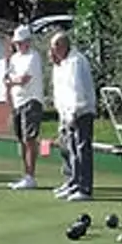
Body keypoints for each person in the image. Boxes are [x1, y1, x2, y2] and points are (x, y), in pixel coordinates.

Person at [49, 30, 97, 202]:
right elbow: (63, 91)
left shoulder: (76, 61)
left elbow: (78, 89)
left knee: (83, 149)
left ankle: (85, 188)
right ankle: (74, 183)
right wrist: (64, 112)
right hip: (69, 113)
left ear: (62, 46)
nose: (52, 51)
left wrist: (74, 112)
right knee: (73, 150)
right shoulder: (65, 62)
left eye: (54, 47)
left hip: (81, 111)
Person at [3, 26, 45, 190]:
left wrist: (12, 81)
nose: (20, 45)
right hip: (18, 102)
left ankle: (30, 176)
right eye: (18, 43)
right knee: (21, 139)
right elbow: (7, 78)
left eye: (22, 42)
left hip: (31, 100)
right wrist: (13, 81)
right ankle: (26, 175)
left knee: (29, 139)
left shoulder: (33, 57)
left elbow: (23, 79)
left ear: (28, 42)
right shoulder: (14, 58)